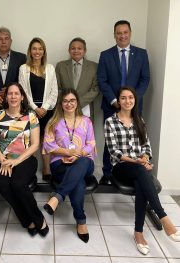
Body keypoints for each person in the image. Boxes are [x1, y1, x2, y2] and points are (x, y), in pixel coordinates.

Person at [104, 86, 180, 254]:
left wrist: (145, 159)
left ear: (135, 100)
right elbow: (114, 151)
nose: (127, 101)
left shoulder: (140, 120)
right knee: (140, 171)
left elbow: (147, 148)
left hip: (139, 168)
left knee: (141, 182)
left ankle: (138, 233)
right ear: (118, 101)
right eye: (123, 98)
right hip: (120, 167)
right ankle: (164, 218)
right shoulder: (110, 122)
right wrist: (137, 162)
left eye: (130, 97)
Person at [0, 82, 49, 237]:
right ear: (6, 97)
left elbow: (35, 144)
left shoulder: (31, 116)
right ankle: (26, 220)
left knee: (17, 183)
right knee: (2, 183)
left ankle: (38, 218)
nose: (13, 96)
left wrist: (16, 161)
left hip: (25, 159)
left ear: (22, 96)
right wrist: (3, 160)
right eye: (10, 93)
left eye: (17, 93)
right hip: (1, 159)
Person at [97, 20, 150, 181]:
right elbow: (102, 80)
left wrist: (131, 100)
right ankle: (107, 173)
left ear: (130, 33)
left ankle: (133, 171)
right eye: (119, 33)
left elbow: (145, 79)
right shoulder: (105, 55)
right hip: (111, 104)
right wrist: (114, 100)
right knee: (110, 141)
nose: (122, 35)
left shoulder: (141, 54)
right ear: (114, 35)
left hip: (133, 107)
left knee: (133, 139)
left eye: (125, 32)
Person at [43, 88, 96, 243]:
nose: (69, 104)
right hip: (59, 164)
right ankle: (81, 221)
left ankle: (57, 197)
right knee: (78, 183)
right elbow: (48, 145)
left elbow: (91, 145)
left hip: (84, 161)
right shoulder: (53, 122)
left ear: (77, 102)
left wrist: (77, 155)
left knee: (83, 162)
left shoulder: (86, 121)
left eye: (72, 100)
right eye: (65, 101)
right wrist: (67, 153)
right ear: (61, 103)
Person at [19, 37, 58, 180]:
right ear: (30, 51)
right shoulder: (23, 69)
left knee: (45, 140)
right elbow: (23, 91)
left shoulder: (50, 68)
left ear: (44, 51)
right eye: (34, 48)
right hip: (30, 110)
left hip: (47, 110)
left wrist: (45, 108)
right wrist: (35, 108)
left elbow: (54, 91)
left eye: (40, 48)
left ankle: (47, 169)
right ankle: (32, 170)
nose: (37, 51)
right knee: (30, 141)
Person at [55, 37, 99, 120]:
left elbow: (95, 89)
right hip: (65, 109)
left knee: (85, 132)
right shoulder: (60, 66)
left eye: (79, 48)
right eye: (73, 48)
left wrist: (78, 102)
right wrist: (68, 102)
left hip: (85, 109)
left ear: (84, 51)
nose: (76, 51)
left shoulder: (94, 66)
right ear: (69, 50)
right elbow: (57, 88)